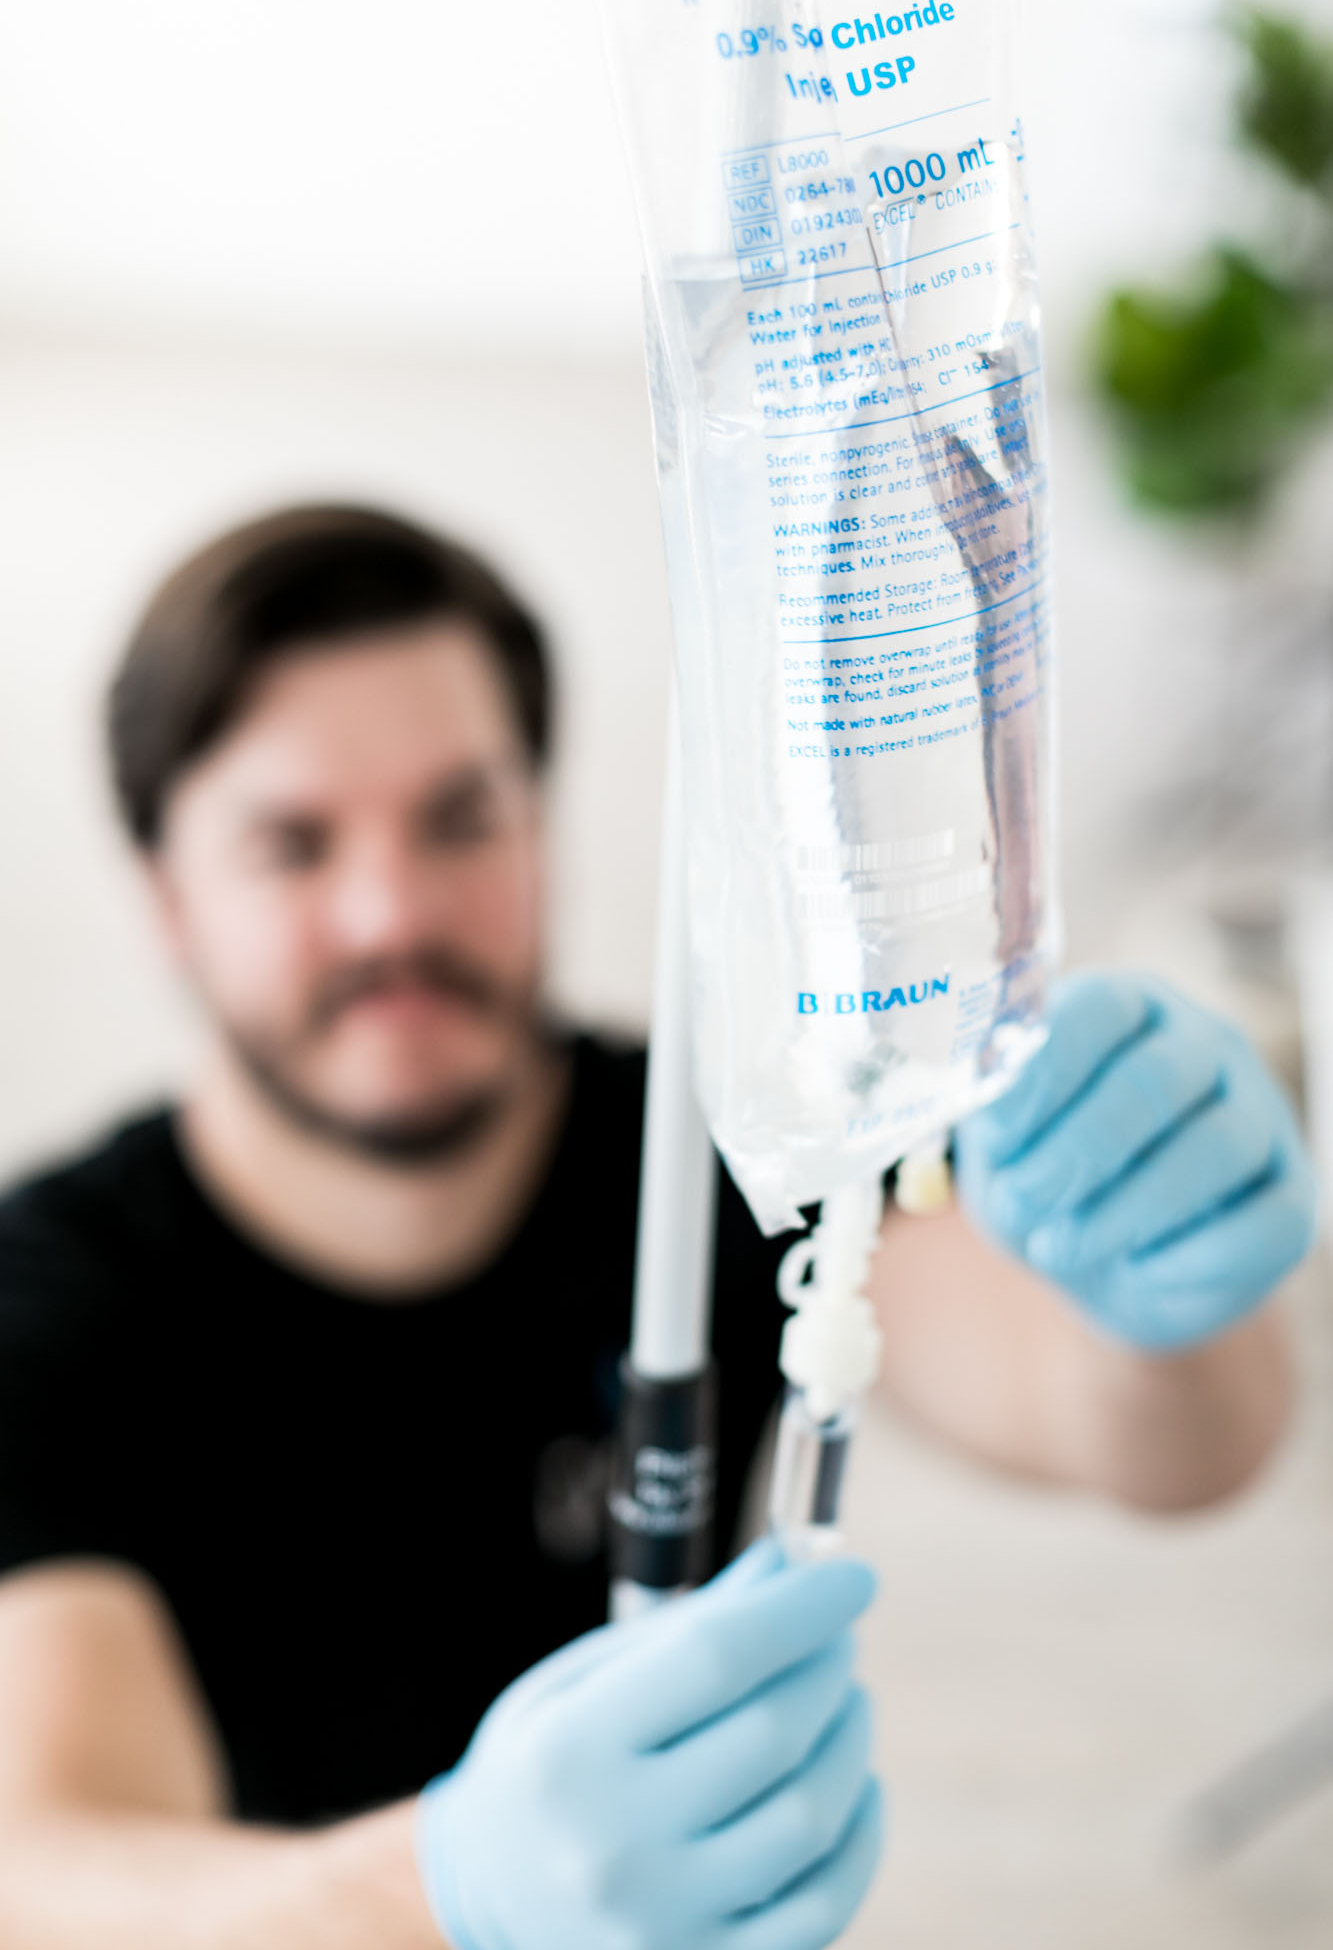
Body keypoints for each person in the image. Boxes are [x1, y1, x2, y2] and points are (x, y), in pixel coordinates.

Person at [0, 503, 1314, 1950]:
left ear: (542, 826)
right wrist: (436, 1887)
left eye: (459, 818)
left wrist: (1172, 1281)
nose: (390, 913)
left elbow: (1168, 1442)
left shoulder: (722, 1148)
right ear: (165, 903)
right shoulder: (51, 1302)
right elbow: (46, 1861)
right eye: (292, 846)